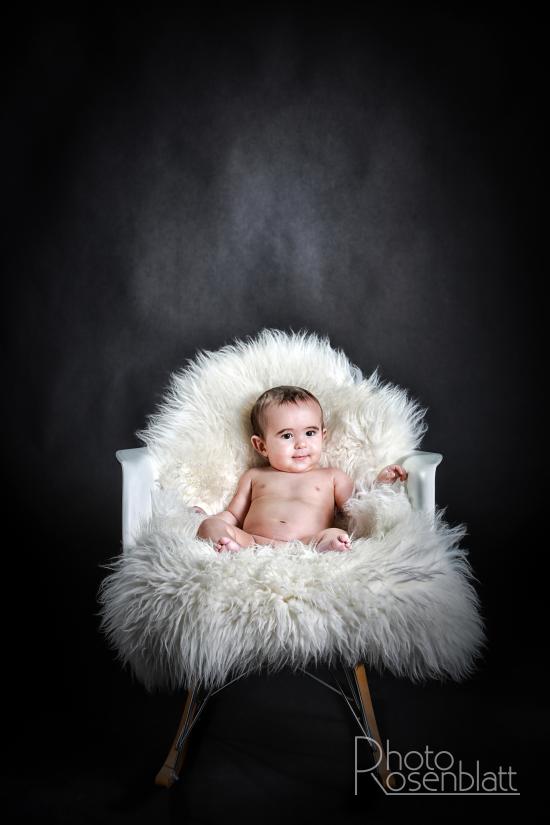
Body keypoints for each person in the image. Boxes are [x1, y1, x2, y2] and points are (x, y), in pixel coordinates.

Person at [196, 386, 407, 553]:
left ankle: (328, 548)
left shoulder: (331, 477)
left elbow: (359, 506)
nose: (301, 444)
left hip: (306, 544)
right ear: (262, 446)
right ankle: (233, 550)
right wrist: (208, 519)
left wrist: (380, 483)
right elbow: (233, 514)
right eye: (287, 436)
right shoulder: (255, 476)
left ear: (323, 436)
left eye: (309, 433)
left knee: (334, 534)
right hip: (253, 543)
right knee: (208, 527)